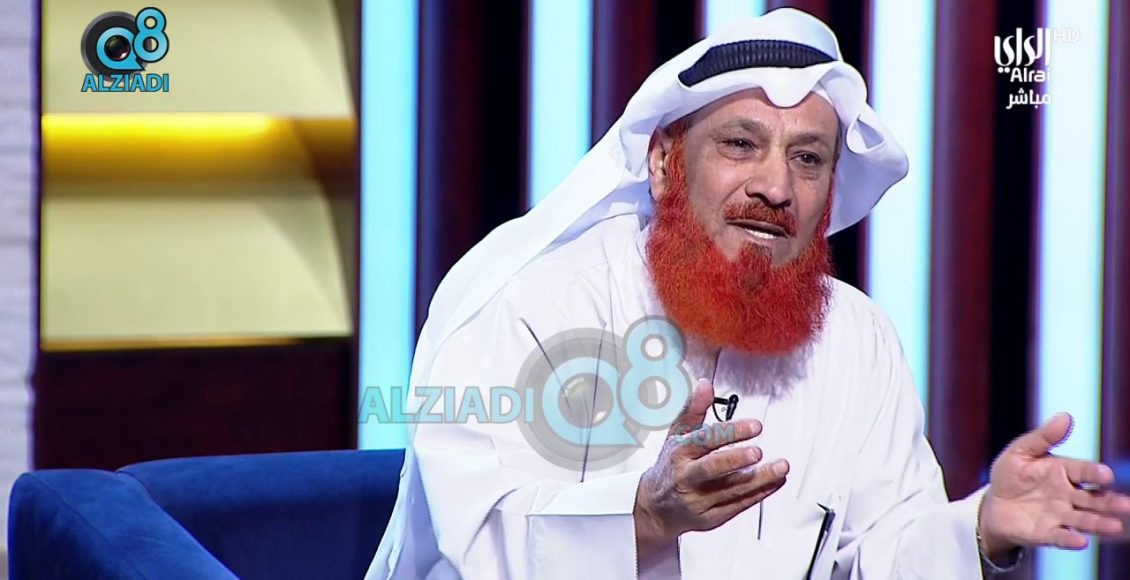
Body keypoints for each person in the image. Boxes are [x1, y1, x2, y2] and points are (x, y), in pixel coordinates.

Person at [365, 8, 1130, 579]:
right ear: (664, 162)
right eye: (741, 144)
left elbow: (879, 553)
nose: (775, 186)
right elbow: (478, 542)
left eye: (808, 158)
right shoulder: (533, 304)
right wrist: (643, 515)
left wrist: (982, 526)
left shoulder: (856, 338)